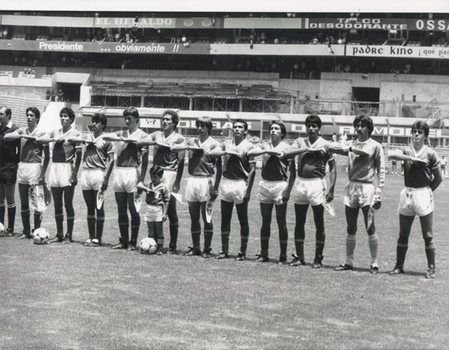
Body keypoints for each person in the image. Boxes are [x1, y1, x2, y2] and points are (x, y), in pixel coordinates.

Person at [329, 115, 385, 273]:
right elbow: (341, 149)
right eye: (357, 126)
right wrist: (327, 146)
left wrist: (379, 191)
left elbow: (379, 168)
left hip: (367, 189)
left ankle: (374, 262)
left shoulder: (375, 146)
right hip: (352, 187)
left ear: (369, 128)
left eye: (362, 126)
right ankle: (349, 262)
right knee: (351, 227)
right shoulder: (351, 144)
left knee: (370, 226)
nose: (359, 129)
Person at [388, 121, 442, 279]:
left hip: (423, 193)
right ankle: (399, 266)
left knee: (428, 234)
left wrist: (427, 190)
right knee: (403, 233)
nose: (416, 134)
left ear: (425, 135)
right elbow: (390, 154)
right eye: (414, 132)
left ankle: (431, 267)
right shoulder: (406, 150)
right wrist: (411, 158)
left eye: (419, 132)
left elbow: (438, 178)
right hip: (407, 193)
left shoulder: (430, 153)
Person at [283, 114, 336, 268]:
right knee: (299, 221)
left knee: (319, 221)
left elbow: (332, 168)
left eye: (314, 126)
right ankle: (299, 256)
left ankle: (318, 258)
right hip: (301, 184)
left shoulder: (325, 144)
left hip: (317, 184)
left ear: (319, 129)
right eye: (309, 126)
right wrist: (305, 148)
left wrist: (331, 189)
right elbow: (287, 153)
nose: (311, 129)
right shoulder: (299, 142)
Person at [172, 116, 222, 258]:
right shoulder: (191, 141)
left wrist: (216, 186)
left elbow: (219, 168)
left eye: (203, 126)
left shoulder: (214, 144)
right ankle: (196, 247)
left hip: (206, 180)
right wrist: (188, 146)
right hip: (192, 180)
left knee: (206, 217)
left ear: (209, 128)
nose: (200, 128)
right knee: (194, 217)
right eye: (198, 125)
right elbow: (174, 147)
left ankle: (207, 249)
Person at [248, 120, 295, 264]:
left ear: (282, 132)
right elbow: (250, 152)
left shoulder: (287, 147)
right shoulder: (264, 145)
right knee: (265, 221)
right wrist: (266, 151)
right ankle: (264, 253)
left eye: (276, 129)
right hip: (265, 184)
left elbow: (293, 173)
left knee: (281, 222)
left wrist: (288, 191)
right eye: (272, 129)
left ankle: (283, 255)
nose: (273, 131)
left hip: (280, 185)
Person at [209, 119, 256, 261]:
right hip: (226, 182)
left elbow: (253, 170)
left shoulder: (249, 146)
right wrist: (226, 151)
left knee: (243, 219)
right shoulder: (226, 144)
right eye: (235, 127)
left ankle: (242, 252)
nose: (236, 129)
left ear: (245, 131)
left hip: (240, 184)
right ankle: (224, 250)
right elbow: (212, 153)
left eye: (240, 127)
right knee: (225, 219)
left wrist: (248, 191)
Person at [139, 110, 185, 254]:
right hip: (156, 173)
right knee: (153, 206)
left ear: (174, 123)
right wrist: (154, 142)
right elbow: (140, 142)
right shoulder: (156, 134)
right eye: (163, 119)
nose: (164, 122)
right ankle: (154, 241)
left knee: (170, 209)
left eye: (168, 120)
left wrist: (177, 181)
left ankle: (173, 244)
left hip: (170, 174)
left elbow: (181, 161)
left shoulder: (179, 138)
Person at [104, 107, 148, 250]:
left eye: (130, 118)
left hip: (132, 172)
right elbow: (105, 137)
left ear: (137, 119)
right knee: (121, 208)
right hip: (119, 172)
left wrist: (141, 179)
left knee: (133, 208)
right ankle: (123, 240)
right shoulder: (121, 133)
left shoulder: (142, 135)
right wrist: (122, 138)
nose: (127, 120)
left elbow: (146, 160)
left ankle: (133, 241)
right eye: (126, 118)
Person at [3, 107, 49, 239]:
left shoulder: (40, 131)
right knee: (23, 201)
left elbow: (47, 147)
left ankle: (37, 229)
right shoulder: (22, 130)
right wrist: (22, 135)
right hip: (22, 166)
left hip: (35, 167)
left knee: (36, 201)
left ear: (37, 118)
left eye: (32, 116)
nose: (29, 118)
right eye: (27, 115)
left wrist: (43, 173)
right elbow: (6, 136)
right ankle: (26, 231)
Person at [46, 107, 82, 243]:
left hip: (67, 169)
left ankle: (69, 235)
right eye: (61, 116)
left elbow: (79, 156)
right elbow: (43, 138)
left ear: (71, 119)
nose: (63, 118)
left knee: (68, 203)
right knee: (57, 204)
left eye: (66, 116)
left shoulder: (76, 134)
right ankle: (59, 234)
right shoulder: (55, 132)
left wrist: (74, 174)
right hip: (55, 167)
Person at [78, 112, 114, 247]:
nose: (94, 124)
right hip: (86, 172)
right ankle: (90, 236)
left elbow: (112, 160)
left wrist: (106, 179)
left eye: (97, 122)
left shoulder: (106, 139)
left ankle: (98, 238)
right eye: (93, 121)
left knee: (99, 207)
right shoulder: (87, 137)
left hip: (99, 173)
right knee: (89, 207)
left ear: (103, 125)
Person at [140, 165, 170, 255]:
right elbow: (138, 184)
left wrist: (165, 213)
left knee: (159, 230)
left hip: (158, 210)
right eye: (151, 176)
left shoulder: (163, 187)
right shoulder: (149, 184)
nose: (153, 179)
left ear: (160, 177)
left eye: (155, 177)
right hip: (149, 209)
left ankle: (160, 248)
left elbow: (166, 201)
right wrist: (146, 189)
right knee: (151, 231)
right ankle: (151, 246)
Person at [0, 106, 20, 236]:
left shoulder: (15, 130)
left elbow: (20, 150)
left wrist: (15, 164)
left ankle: (11, 229)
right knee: (0, 198)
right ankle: (1, 226)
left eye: (1, 114)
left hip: (10, 168)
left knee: (10, 198)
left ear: (8, 116)